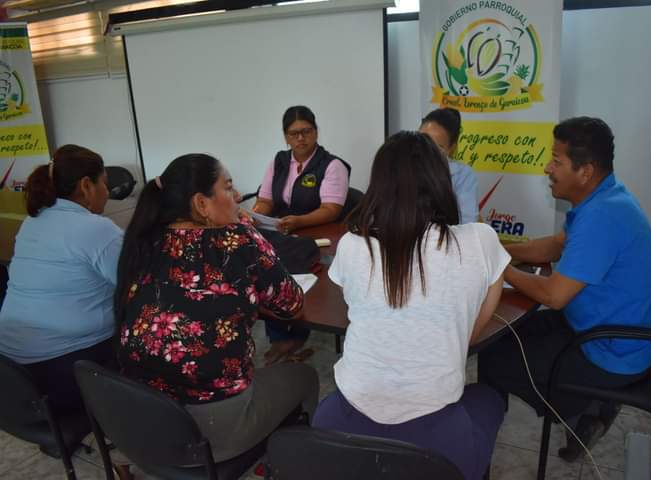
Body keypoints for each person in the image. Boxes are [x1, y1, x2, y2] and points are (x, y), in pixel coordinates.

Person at [312, 131, 510, 479]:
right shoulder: (481, 241)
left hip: (342, 424)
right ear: (440, 181)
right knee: (491, 399)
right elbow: (473, 327)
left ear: (379, 186)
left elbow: (356, 309)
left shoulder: (353, 246)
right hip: (438, 445)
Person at [476, 117, 651, 461]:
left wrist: (499, 267)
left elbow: (555, 296)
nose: (547, 168)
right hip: (596, 328)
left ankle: (582, 412)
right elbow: (554, 246)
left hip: (609, 350)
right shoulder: (605, 198)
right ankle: (585, 409)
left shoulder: (602, 217)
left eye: (556, 161)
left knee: (494, 358)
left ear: (585, 171)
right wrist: (497, 247)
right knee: (501, 335)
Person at [115, 153, 318, 463]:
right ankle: (290, 463)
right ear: (201, 204)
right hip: (211, 430)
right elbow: (291, 304)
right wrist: (247, 231)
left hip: (144, 420)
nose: (237, 197)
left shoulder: (143, 239)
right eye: (228, 187)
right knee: (305, 376)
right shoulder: (237, 240)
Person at [0, 145, 122, 413]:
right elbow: (138, 287)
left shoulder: (33, 221)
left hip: (12, 373)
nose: (107, 192)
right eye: (104, 183)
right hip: (60, 372)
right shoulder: (94, 228)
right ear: (86, 185)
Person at [254, 105, 350, 364]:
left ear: (316, 132)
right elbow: (265, 200)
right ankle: (279, 338)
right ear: (285, 136)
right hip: (283, 234)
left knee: (301, 278)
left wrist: (299, 222)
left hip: (318, 238)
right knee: (268, 272)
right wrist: (256, 214)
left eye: (306, 131)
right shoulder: (279, 162)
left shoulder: (332, 165)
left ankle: (296, 336)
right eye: (293, 133)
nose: (300, 138)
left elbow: (331, 209)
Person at [420, 107, 481, 224]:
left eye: (437, 147)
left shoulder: (462, 174)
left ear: (451, 148)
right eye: (422, 141)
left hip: (446, 234)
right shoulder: (401, 164)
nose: (426, 150)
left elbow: (467, 222)